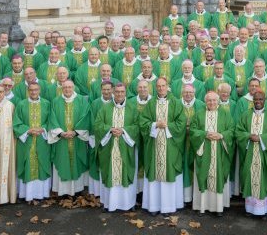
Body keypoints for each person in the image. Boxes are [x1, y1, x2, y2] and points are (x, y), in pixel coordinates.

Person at [140, 77, 186, 215]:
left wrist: (167, 125)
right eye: (158, 86)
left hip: (170, 146)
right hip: (153, 146)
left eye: (163, 86)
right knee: (154, 174)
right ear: (155, 87)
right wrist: (155, 125)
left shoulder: (176, 103)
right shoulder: (150, 104)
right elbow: (143, 122)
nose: (161, 88)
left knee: (169, 173)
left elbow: (181, 123)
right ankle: (153, 206)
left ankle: (168, 207)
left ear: (168, 86)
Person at [93, 79, 140, 211]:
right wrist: (110, 129)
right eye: (117, 92)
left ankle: (128, 204)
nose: (119, 94)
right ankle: (109, 204)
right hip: (109, 148)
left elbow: (137, 126)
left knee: (126, 172)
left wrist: (124, 130)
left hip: (126, 147)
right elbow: (97, 125)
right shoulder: (105, 108)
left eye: (122, 92)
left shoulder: (132, 108)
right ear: (113, 92)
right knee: (110, 173)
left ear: (126, 93)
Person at [236, 91, 267, 217]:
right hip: (249, 153)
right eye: (255, 100)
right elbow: (238, 131)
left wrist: (261, 138)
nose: (258, 102)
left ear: (265, 100)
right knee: (249, 178)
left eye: (260, 99)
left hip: (264, 154)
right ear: (252, 100)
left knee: (264, 178)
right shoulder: (245, 115)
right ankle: (249, 209)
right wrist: (249, 136)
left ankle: (264, 210)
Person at [191, 91, 235, 216]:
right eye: (209, 100)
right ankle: (202, 206)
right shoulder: (199, 114)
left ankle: (218, 208)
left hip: (219, 152)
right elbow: (193, 131)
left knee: (218, 177)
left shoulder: (225, 114)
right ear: (205, 102)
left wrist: (221, 135)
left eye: (214, 100)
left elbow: (232, 130)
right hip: (203, 151)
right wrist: (205, 134)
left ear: (218, 101)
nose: (212, 103)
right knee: (203, 176)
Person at [47, 80, 91, 197]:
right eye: (65, 87)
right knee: (62, 161)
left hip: (77, 139)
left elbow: (86, 117)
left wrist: (76, 132)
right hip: (61, 140)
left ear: (73, 88)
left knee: (76, 161)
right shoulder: (55, 101)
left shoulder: (82, 100)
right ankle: (62, 191)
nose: (67, 89)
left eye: (70, 87)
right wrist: (60, 133)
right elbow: (52, 118)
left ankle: (77, 190)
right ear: (62, 88)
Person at [12, 82, 52, 203]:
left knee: (42, 164)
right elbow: (16, 122)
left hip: (42, 139)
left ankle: (41, 194)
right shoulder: (21, 104)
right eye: (31, 90)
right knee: (27, 164)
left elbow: (51, 121)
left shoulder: (46, 104)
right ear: (28, 91)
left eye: (36, 90)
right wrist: (28, 130)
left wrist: (42, 129)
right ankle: (26, 194)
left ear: (39, 90)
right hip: (26, 141)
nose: (33, 92)